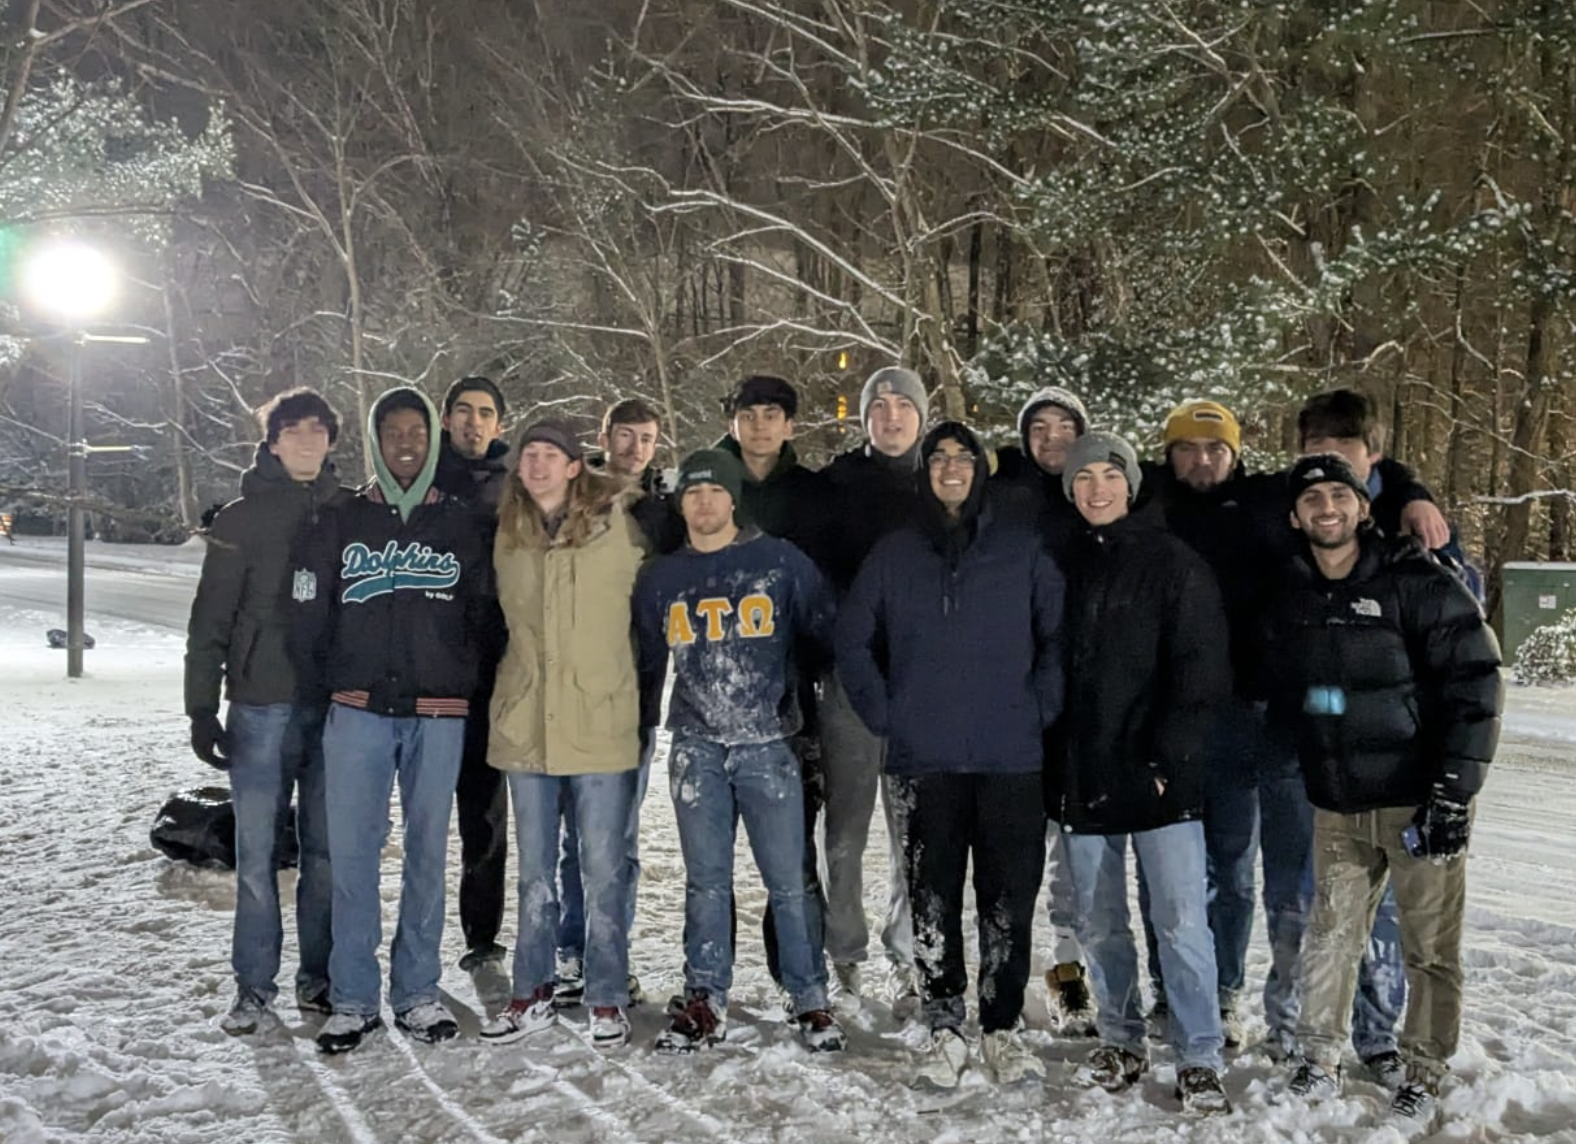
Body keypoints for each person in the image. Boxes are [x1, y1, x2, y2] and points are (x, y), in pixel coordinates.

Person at [1267, 454, 1502, 1123]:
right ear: (1296, 516)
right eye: (1313, 501)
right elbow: (1304, 687)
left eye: (1340, 496)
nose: (1328, 509)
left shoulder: (1416, 582)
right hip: (1339, 803)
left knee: (1429, 946)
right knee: (1330, 935)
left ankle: (1424, 1067)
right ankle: (1318, 1054)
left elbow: (1477, 681)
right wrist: (1321, 717)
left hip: (1418, 799)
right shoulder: (1295, 593)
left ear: (1364, 507)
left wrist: (1454, 789)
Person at [837, 421, 1065, 1088]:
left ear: (980, 471)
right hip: (924, 757)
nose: (951, 468)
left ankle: (999, 1025)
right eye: (938, 459)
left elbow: (1058, 637)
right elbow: (853, 638)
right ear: (925, 472)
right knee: (931, 897)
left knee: (1007, 899)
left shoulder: (1021, 550)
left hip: (1010, 757)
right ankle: (943, 1021)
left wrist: (1040, 708)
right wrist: (886, 713)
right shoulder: (895, 552)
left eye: (963, 459)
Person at [290, 386, 495, 1053]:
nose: (406, 443)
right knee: (353, 856)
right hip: (358, 713)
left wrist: (464, 679)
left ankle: (417, 993)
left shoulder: (462, 523)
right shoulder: (344, 518)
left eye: (417, 432)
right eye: (393, 433)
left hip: (439, 714)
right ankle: (352, 997)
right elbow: (311, 615)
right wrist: (331, 683)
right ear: (376, 442)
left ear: (432, 440)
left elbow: (486, 616)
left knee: (428, 856)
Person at [633, 448, 844, 1053]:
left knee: (790, 882)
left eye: (715, 492)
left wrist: (796, 699)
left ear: (733, 499)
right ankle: (705, 995)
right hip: (696, 745)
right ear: (682, 503)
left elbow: (823, 626)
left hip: (768, 744)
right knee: (706, 881)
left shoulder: (776, 562)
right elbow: (646, 656)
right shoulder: (662, 577)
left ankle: (810, 998)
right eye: (693, 493)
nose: (704, 503)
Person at [1049, 431, 1233, 1114]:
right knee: (1100, 922)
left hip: (1161, 779)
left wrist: (1165, 759)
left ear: (1130, 484)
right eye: (1085, 478)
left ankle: (1199, 1054)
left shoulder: (1173, 563)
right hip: (1082, 774)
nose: (1098, 489)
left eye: (1110, 475)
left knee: (1181, 922)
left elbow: (1201, 671)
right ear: (1071, 490)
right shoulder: (1061, 561)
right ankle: (1122, 1039)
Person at [478, 420, 648, 1050]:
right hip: (528, 723)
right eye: (530, 456)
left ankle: (605, 996)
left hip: (601, 719)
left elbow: (652, 610)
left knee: (603, 869)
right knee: (534, 874)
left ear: (576, 465)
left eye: (552, 455)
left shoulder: (622, 523)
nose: (540, 465)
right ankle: (533, 990)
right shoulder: (505, 531)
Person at [185, 387, 345, 1035]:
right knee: (256, 857)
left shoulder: (350, 513)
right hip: (259, 707)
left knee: (328, 854)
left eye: (317, 430)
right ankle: (254, 985)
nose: (306, 440)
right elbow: (209, 621)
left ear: (331, 440)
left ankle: (321, 978)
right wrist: (201, 706)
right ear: (272, 440)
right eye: (293, 430)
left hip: (334, 709)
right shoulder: (240, 520)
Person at [715, 374, 830, 995]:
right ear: (732, 420)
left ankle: (797, 976)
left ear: (790, 425)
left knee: (792, 847)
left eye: (772, 414)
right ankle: (713, 980)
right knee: (713, 854)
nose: (760, 425)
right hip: (714, 687)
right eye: (748, 413)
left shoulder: (814, 495)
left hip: (792, 690)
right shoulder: (705, 484)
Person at [989, 383, 1098, 1033]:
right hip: (1014, 705)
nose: (1053, 437)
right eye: (1040, 427)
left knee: (1074, 872)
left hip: (1084, 710)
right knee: (1012, 862)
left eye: (1066, 426)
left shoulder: (1104, 496)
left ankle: (1068, 988)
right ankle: (1003, 987)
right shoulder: (1003, 496)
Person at [553, 396, 667, 1007]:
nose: (634, 448)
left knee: (618, 840)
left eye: (646, 439)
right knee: (575, 836)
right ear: (605, 435)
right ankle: (571, 953)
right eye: (625, 436)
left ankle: (609, 955)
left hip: (636, 697)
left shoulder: (660, 513)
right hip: (571, 691)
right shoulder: (573, 497)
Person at [817, 365, 924, 1012]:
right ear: (863, 418)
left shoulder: (941, 482)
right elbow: (816, 580)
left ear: (919, 414)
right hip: (850, 680)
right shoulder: (837, 485)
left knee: (914, 830)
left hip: (922, 683)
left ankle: (910, 954)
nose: (889, 417)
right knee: (846, 829)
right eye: (878, 407)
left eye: (901, 406)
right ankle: (845, 954)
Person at [431, 375, 512, 972]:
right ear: (446, 420)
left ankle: (482, 936)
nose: (473, 422)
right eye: (463, 411)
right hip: (427, 670)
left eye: (485, 413)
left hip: (493, 671)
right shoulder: (417, 480)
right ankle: (418, 938)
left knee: (484, 817)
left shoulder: (518, 486)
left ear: (499, 425)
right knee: (425, 814)